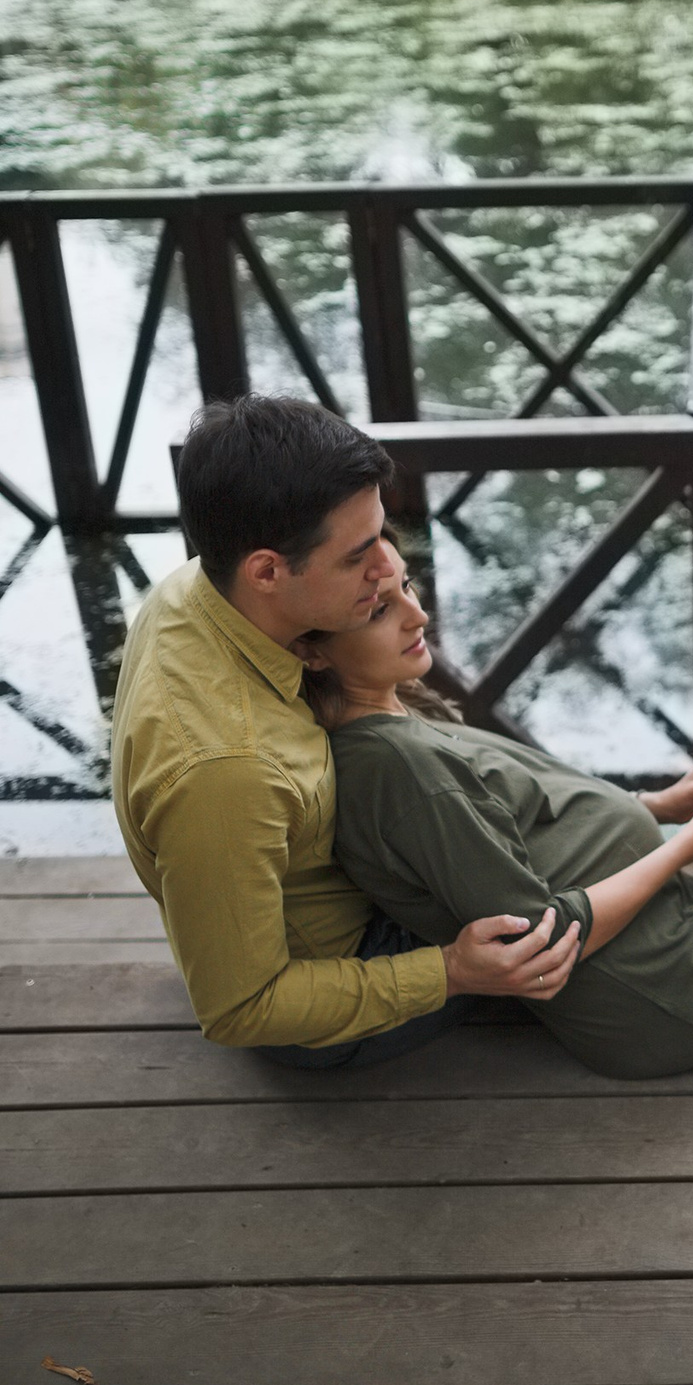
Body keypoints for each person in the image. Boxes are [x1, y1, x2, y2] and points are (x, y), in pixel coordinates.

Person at [294, 569, 693, 1081]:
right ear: (314, 651)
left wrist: (665, 804)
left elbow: (526, 821)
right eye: (378, 610)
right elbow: (539, 945)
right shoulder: (399, 771)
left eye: (406, 586)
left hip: (664, 906)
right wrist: (690, 843)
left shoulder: (392, 708)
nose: (417, 613)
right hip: (653, 980)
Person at [110, 396, 583, 1069]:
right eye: (359, 555)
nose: (386, 571)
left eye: (381, 536)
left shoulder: (194, 586)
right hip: (342, 975)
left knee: (483, 796)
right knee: (570, 884)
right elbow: (242, 1006)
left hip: (330, 869)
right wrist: (451, 970)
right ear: (268, 570)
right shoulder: (227, 772)